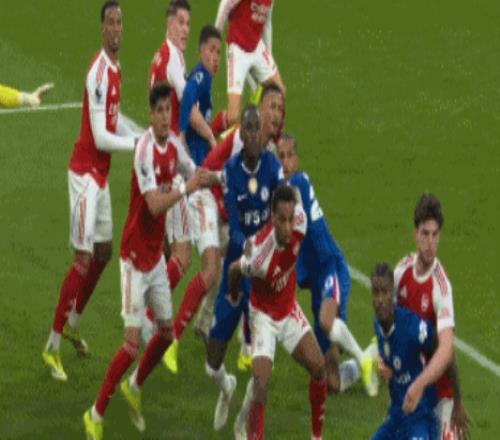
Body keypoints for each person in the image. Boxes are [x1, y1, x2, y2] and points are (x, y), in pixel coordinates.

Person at [83, 82, 214, 439]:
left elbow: (193, 171)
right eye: (158, 111)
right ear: (150, 114)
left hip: (155, 258)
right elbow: (155, 205)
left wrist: (216, 178)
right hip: (133, 259)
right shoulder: (144, 151)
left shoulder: (173, 146)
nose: (164, 117)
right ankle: (95, 413)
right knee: (130, 345)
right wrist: (186, 188)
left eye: (168, 110)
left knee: (166, 334)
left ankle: (134, 387)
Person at [42, 0, 141, 381]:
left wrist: (141, 134)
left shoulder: (116, 69)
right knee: (82, 258)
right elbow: (100, 137)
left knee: (103, 253)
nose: (116, 28)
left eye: (120, 22)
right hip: (84, 175)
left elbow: (115, 123)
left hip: (100, 176)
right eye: (110, 22)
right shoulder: (98, 73)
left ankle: (72, 324)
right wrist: (137, 145)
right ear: (102, 29)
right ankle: (51, 346)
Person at [162, 83, 284, 374]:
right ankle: (171, 341)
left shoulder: (269, 149)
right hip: (206, 198)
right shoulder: (243, 138)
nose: (276, 114)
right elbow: (213, 172)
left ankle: (210, 328)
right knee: (212, 270)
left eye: (280, 109)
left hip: (227, 211)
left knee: (236, 267)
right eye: (271, 107)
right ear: (260, 110)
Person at [276, 134, 378, 396]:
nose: (285, 162)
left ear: (297, 159)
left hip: (330, 267)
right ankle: (374, 355)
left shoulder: (297, 183)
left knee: (325, 321)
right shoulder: (282, 194)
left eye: (289, 156)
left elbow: (289, 202)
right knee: (331, 383)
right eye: (280, 157)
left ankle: (362, 358)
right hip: (315, 283)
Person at [204, 105, 283, 431]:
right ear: (241, 133)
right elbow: (234, 225)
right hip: (236, 270)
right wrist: (247, 243)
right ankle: (227, 388)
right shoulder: (231, 171)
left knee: (258, 364)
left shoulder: (272, 168)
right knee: (212, 363)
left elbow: (279, 215)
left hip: (261, 277)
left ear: (261, 133)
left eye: (256, 129)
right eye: (246, 128)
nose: (252, 135)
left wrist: (263, 246)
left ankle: (244, 418)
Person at [229, 185, 327, 440]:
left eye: (290, 219)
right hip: (263, 317)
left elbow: (296, 196)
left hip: (288, 309)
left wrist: (291, 190)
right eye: (281, 220)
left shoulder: (300, 224)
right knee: (261, 385)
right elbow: (234, 269)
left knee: (319, 369)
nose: (287, 226)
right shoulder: (259, 256)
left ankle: (316, 437)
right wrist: (233, 294)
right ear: (272, 219)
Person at [387, 194, 470, 439]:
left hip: (440, 393)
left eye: (435, 235)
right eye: (425, 234)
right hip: (411, 387)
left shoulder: (440, 287)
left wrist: (456, 399)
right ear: (415, 233)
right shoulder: (401, 272)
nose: (430, 243)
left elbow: (446, 350)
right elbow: (390, 329)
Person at [149, 0, 217, 296]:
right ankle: (152, 314)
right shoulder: (173, 59)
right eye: (180, 22)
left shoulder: (161, 56)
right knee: (182, 255)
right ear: (169, 23)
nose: (185, 30)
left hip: (158, 156)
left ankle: (150, 310)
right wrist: (211, 137)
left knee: (163, 250)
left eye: (188, 24)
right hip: (171, 163)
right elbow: (187, 109)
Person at [370, 262, 438, 439]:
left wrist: (456, 401)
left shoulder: (412, 328)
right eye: (376, 292)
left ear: (392, 293)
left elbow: (444, 353)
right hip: (397, 417)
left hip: (420, 418)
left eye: (384, 292)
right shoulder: (378, 324)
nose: (380, 299)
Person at [215, 0, 284, 126]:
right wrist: (215, 36)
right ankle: (212, 130)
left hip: (257, 46)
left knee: (279, 92)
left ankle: (263, 134)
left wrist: (269, 55)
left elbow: (267, 23)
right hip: (237, 49)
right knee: (233, 117)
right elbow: (226, 4)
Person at [179, 25, 227, 166]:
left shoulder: (206, 78)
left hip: (199, 152)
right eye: (211, 50)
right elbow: (187, 95)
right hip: (193, 154)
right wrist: (182, 134)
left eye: (218, 52)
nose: (216, 58)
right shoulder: (201, 75)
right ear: (201, 50)